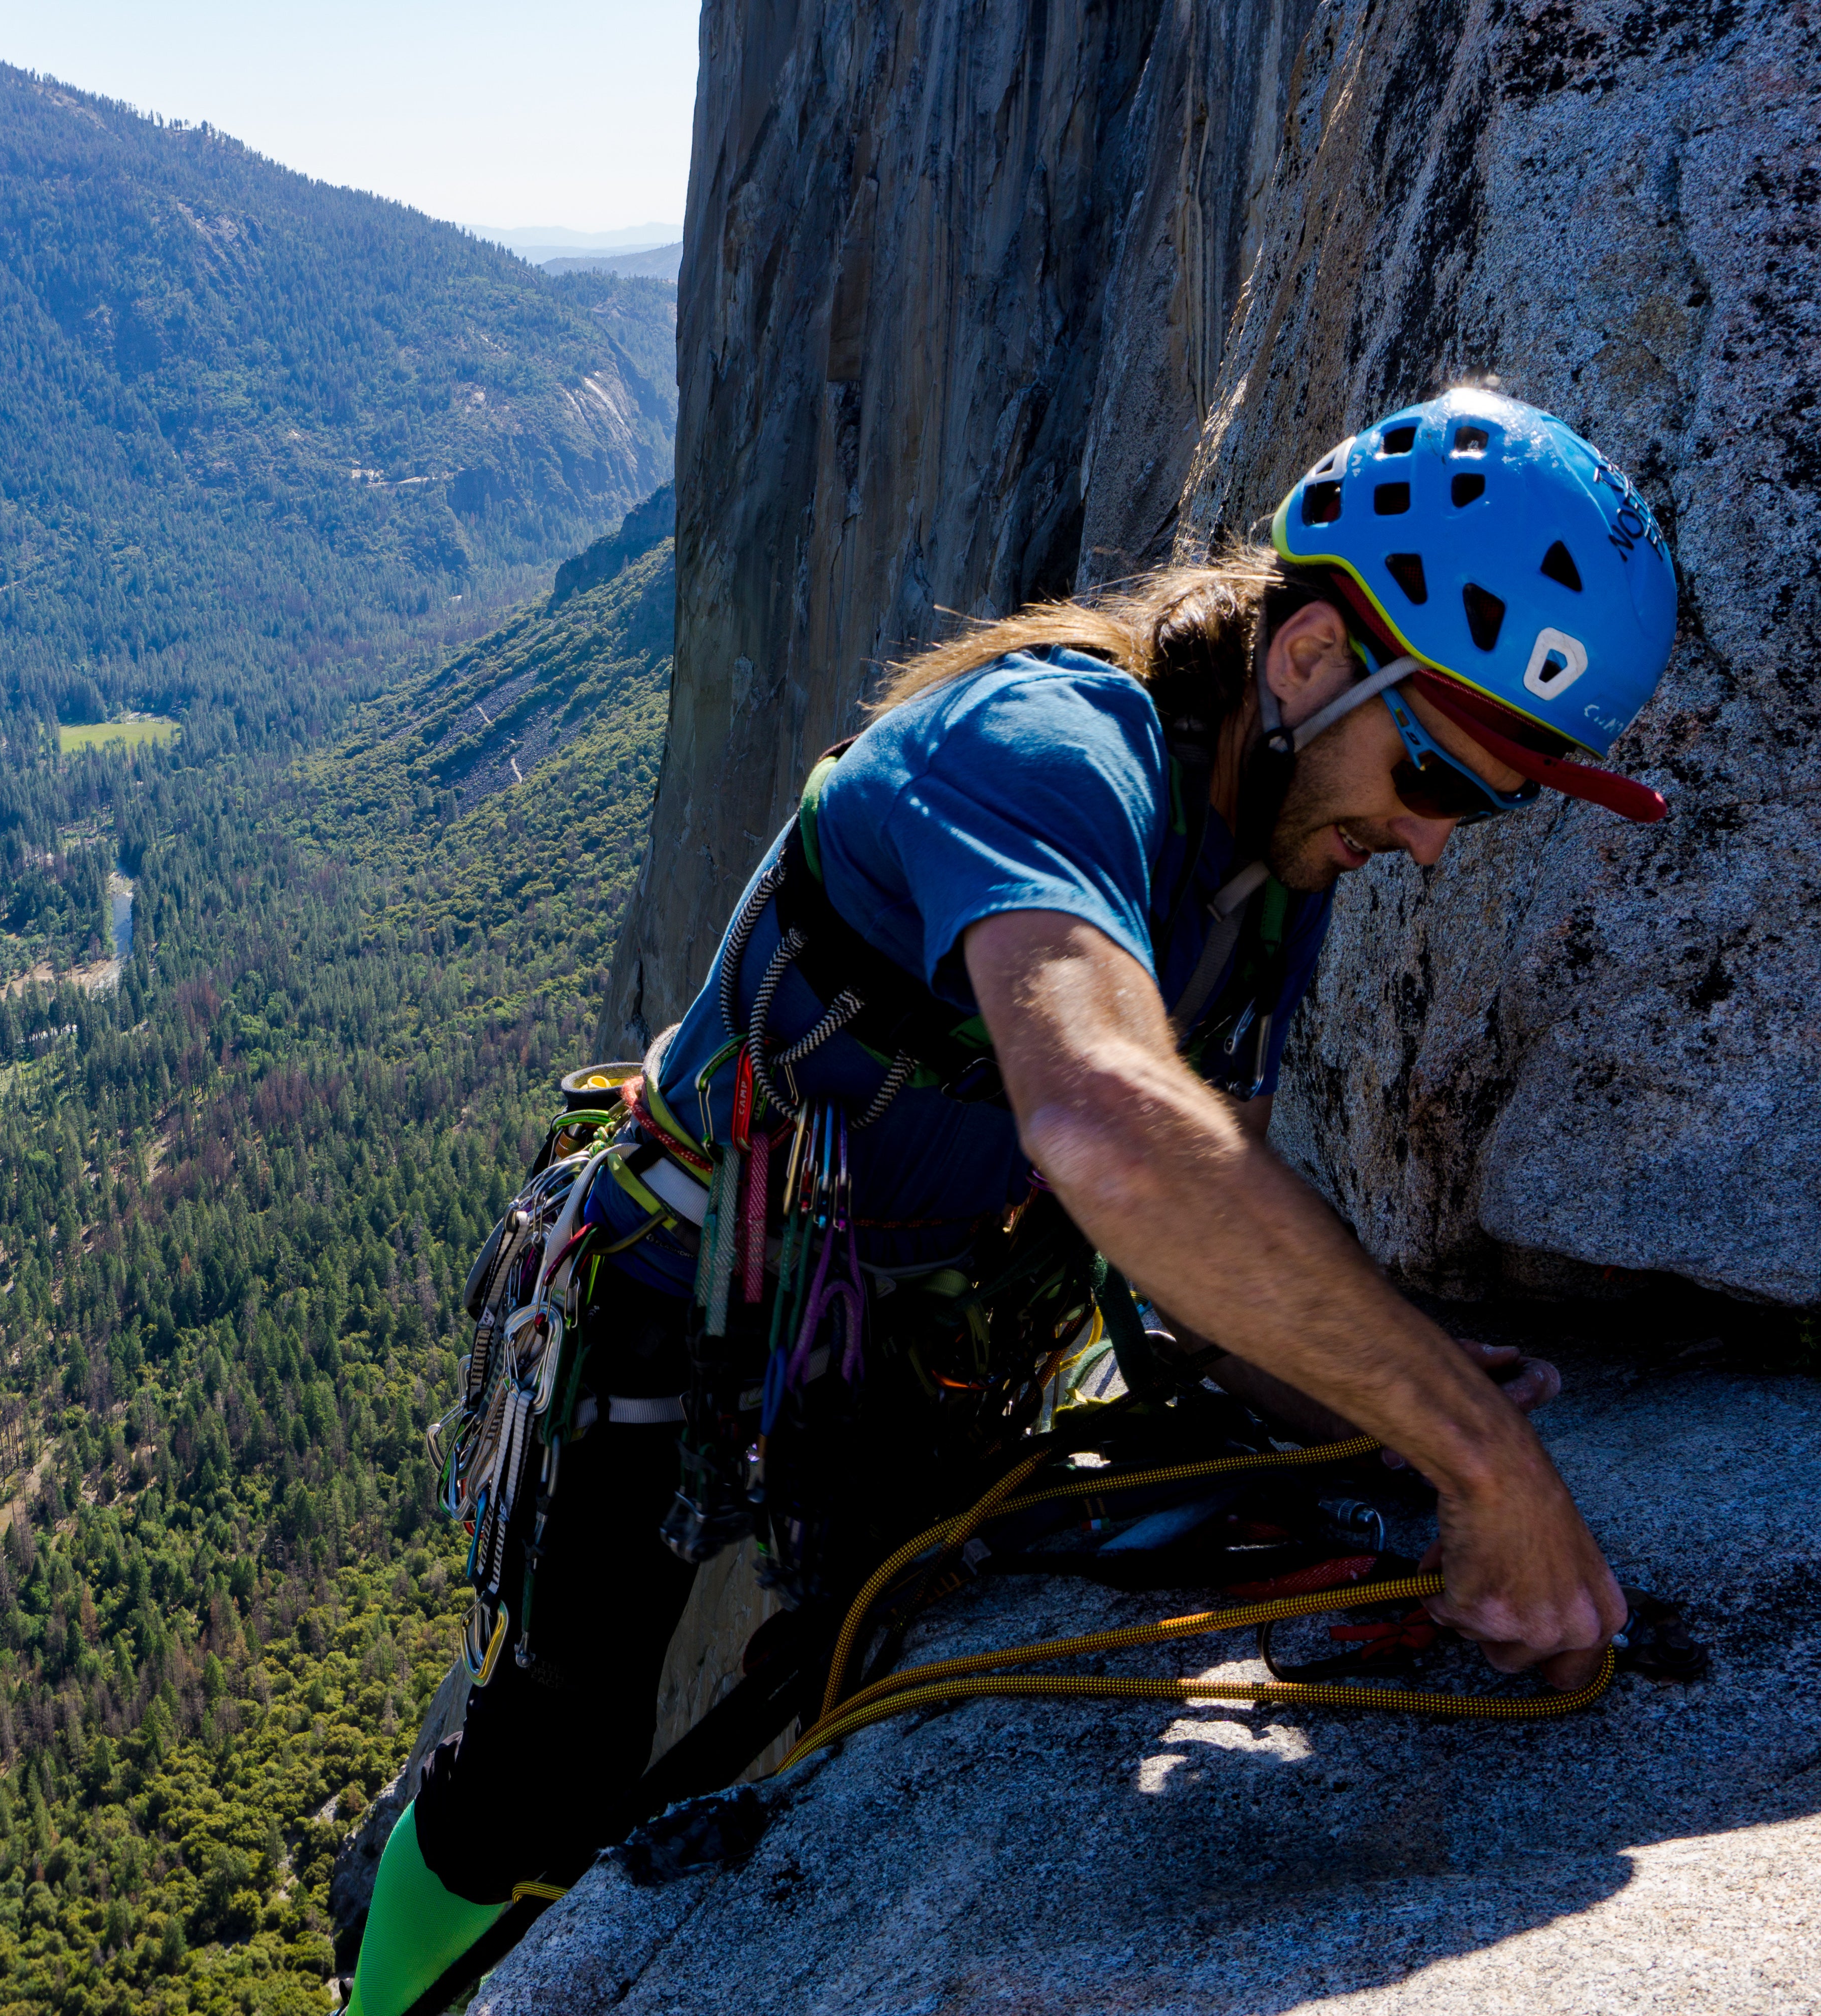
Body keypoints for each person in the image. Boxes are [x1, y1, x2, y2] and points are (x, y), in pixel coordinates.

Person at [345, 388, 1681, 2016]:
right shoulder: (1048, 750)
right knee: (544, 1770)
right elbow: (1111, 1124)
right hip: (674, 1281)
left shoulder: (1263, 864)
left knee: (850, 1680)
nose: (1430, 842)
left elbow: (1213, 1196)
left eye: (1492, 803)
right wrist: (1491, 1466)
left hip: (929, 1341)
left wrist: (1394, 1398)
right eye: (1443, 781)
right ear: (1317, 658)